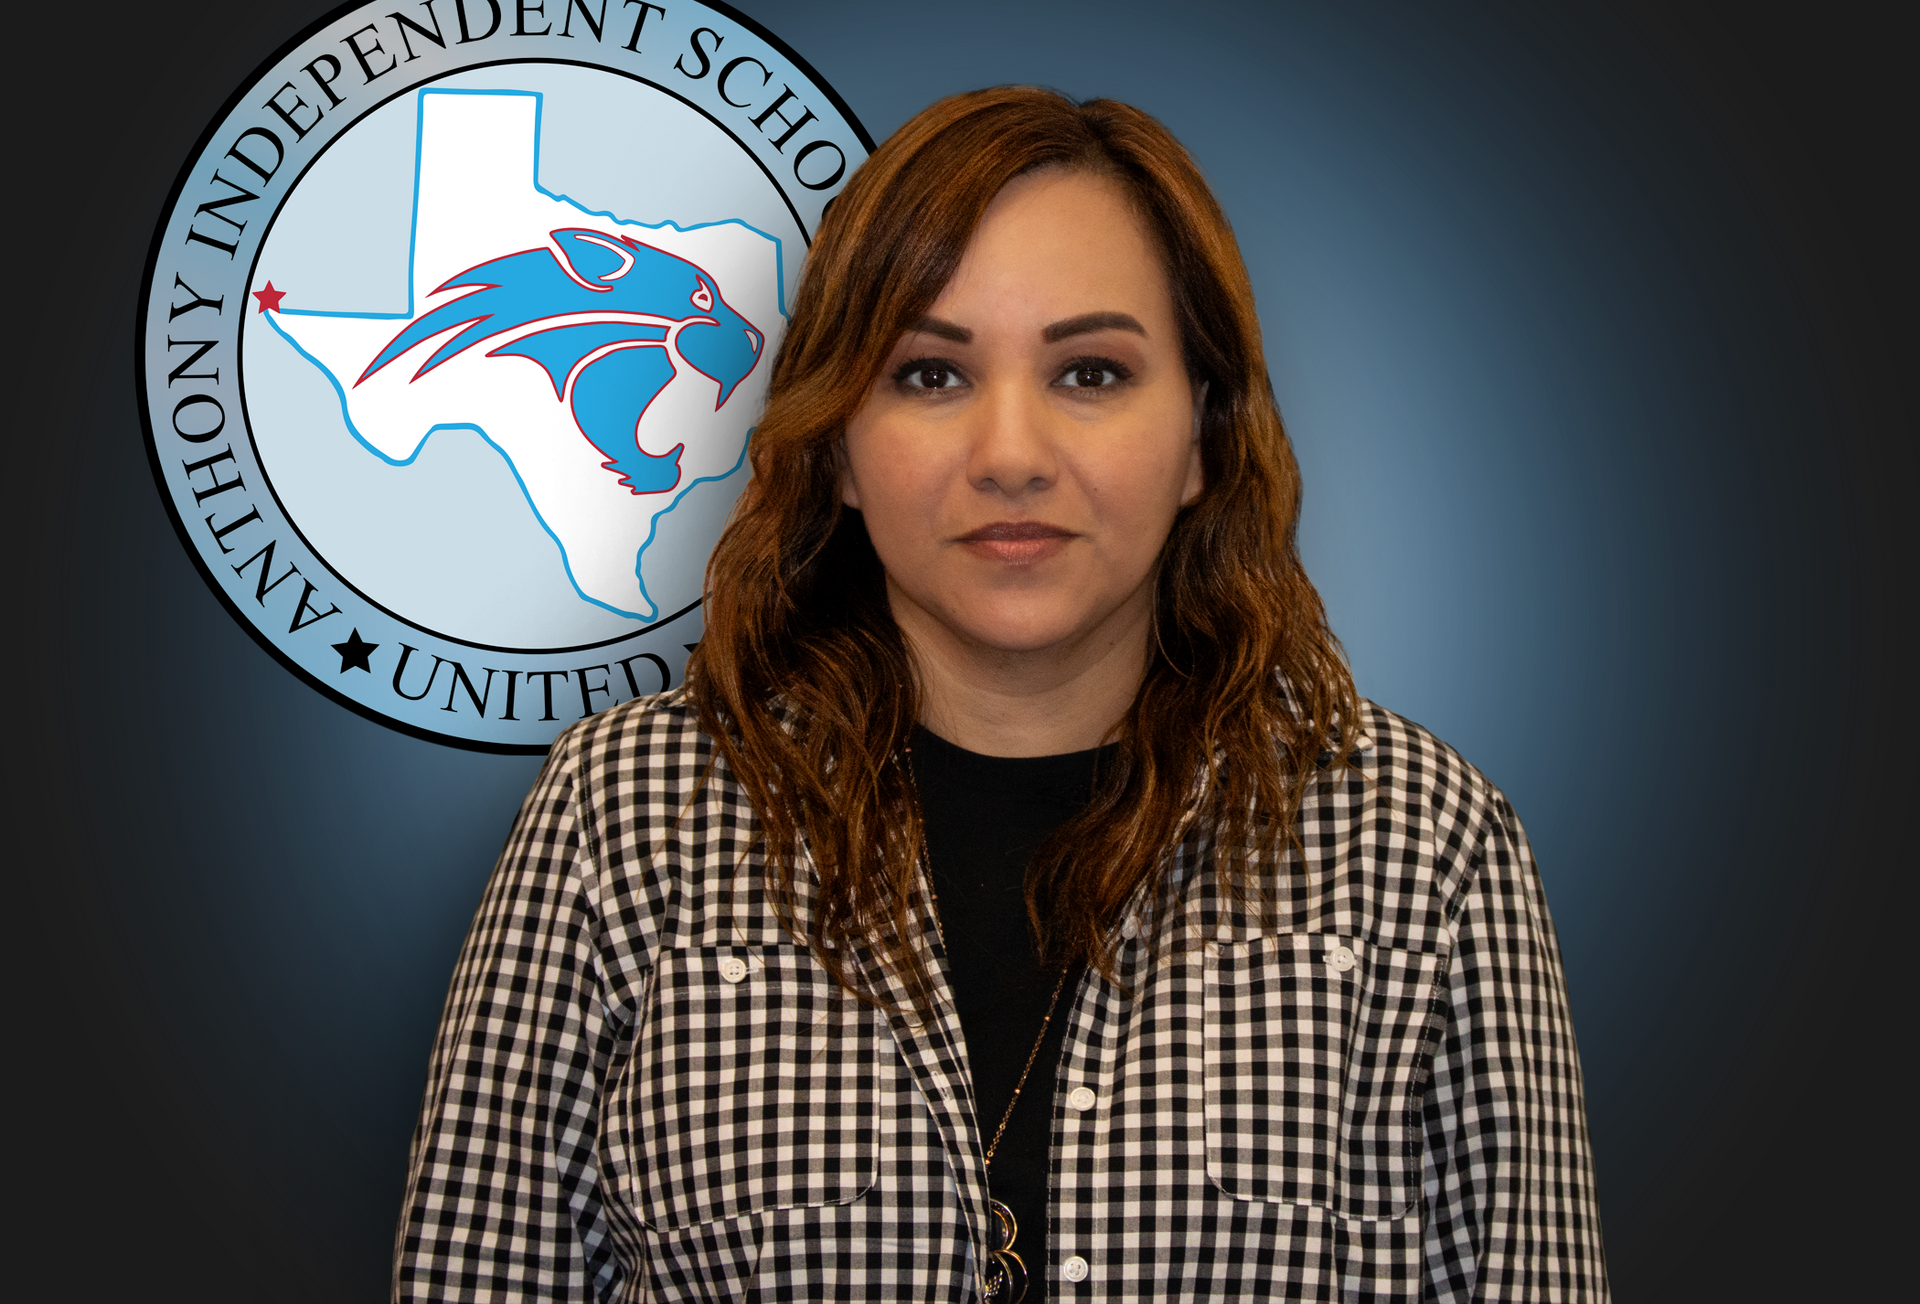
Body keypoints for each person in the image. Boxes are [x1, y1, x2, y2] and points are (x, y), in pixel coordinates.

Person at [394, 86, 1606, 1303]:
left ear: (1202, 436)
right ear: (837, 447)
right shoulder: (621, 815)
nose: (1013, 453)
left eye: (1091, 371)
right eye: (930, 374)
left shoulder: (1428, 843)